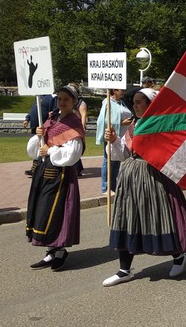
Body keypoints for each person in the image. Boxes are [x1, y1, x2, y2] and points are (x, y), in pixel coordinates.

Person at [101, 88, 186, 286]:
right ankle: (124, 269)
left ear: (150, 104)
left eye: (140, 102)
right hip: (130, 177)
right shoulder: (133, 125)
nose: (135, 105)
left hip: (154, 177)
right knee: (127, 218)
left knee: (160, 217)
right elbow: (124, 153)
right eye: (135, 102)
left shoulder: (161, 125)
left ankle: (178, 256)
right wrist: (114, 140)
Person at [26, 85, 85, 271]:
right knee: (43, 210)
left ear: (74, 101)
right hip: (46, 171)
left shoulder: (74, 123)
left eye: (66, 99)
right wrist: (39, 136)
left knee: (57, 211)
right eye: (59, 98)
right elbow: (34, 150)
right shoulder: (52, 120)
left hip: (62, 175)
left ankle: (59, 251)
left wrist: (50, 150)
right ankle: (51, 250)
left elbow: (73, 154)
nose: (62, 102)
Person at [95, 89, 133, 194]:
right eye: (121, 90)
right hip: (111, 135)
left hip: (121, 136)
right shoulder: (107, 102)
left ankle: (113, 185)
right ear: (114, 91)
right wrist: (121, 123)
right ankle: (105, 187)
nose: (124, 91)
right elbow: (104, 119)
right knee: (108, 161)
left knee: (116, 162)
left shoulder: (123, 103)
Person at [23, 93, 58, 176]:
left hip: (45, 127)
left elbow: (56, 110)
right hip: (36, 126)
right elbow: (33, 109)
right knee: (37, 147)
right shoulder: (38, 96)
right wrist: (27, 119)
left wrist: (52, 114)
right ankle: (36, 168)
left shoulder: (52, 97)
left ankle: (41, 168)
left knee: (43, 147)